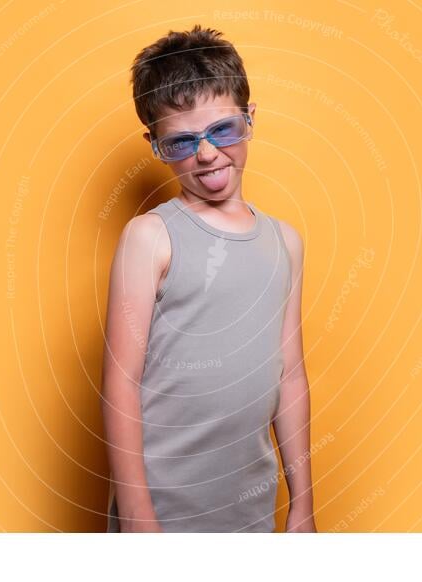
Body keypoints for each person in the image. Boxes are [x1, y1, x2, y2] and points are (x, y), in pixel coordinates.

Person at [101, 24, 316, 533]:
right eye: (181, 142)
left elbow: (289, 378)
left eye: (223, 131)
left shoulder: (285, 242)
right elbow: (120, 384)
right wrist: (137, 518)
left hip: (248, 511)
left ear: (249, 118)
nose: (206, 154)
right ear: (155, 144)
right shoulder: (150, 237)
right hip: (161, 511)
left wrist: (303, 507)